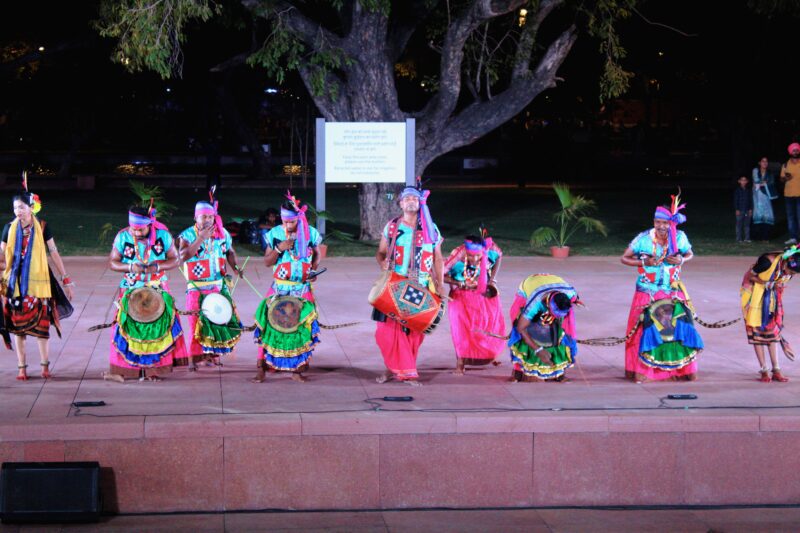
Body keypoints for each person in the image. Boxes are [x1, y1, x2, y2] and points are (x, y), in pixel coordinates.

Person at [620, 193, 704, 383]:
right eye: (658, 222)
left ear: (671, 223)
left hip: (672, 291)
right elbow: (624, 258)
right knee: (645, 330)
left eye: (665, 223)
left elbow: (690, 253)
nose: (661, 226)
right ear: (654, 222)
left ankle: (678, 371)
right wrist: (644, 261)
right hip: (647, 292)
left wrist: (682, 259)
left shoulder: (679, 237)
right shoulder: (643, 239)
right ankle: (645, 372)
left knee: (676, 330)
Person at [104, 203, 186, 382]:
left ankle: (152, 370)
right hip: (131, 289)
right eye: (133, 228)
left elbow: (176, 259)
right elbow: (112, 262)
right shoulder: (123, 236)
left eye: (140, 229)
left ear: (149, 224)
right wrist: (130, 267)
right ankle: (122, 370)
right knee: (125, 328)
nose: (135, 232)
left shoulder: (163, 236)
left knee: (158, 329)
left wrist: (157, 266)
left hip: (157, 288)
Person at [0, 183, 74, 381]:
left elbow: (54, 252)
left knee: (42, 329)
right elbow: (2, 256)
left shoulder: (42, 227)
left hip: (39, 284)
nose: (18, 211)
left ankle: (44, 366)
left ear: (31, 208)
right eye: (15, 208)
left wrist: (66, 279)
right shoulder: (8, 228)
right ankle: (21, 368)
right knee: (18, 330)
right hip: (15, 285)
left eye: (22, 207)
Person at [373, 185, 445, 386]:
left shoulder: (431, 228)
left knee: (413, 332)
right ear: (401, 204)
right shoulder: (392, 227)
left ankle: (407, 371)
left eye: (415, 198)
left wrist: (440, 284)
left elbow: (438, 259)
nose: (411, 201)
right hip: (394, 286)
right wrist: (382, 262)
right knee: (386, 331)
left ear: (421, 203)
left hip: (419, 287)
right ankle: (394, 368)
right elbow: (380, 252)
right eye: (407, 199)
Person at [253, 192, 322, 383]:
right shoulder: (275, 234)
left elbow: (317, 253)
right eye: (284, 221)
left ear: (299, 218)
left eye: (291, 221)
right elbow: (267, 262)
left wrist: (313, 270)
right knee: (269, 326)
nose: (287, 225)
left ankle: (297, 371)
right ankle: (261, 368)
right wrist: (279, 248)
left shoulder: (311, 233)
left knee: (301, 329)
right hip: (279, 289)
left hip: (302, 289)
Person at [177, 189, 244, 370]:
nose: (207, 220)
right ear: (195, 217)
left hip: (218, 285)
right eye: (203, 217)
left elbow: (230, 251)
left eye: (210, 216)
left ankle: (211, 356)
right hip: (197, 287)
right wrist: (201, 238)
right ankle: (194, 358)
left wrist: (235, 267)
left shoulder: (222, 233)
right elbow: (183, 256)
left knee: (216, 322)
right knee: (197, 323)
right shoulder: (187, 235)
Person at [443, 231, 505, 374]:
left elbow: (499, 257)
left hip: (483, 294)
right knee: (461, 330)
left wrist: (492, 280)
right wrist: (457, 282)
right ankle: (460, 363)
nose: (475, 259)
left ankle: (490, 355)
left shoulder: (491, 250)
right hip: (460, 295)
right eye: (471, 255)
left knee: (488, 325)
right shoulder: (457, 255)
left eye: (478, 255)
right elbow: (439, 275)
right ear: (466, 251)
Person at [740, 247, 800, 383]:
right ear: (786, 263)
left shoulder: (790, 268)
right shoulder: (767, 261)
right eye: (790, 271)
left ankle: (776, 369)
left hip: (771, 295)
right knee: (756, 330)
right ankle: (764, 370)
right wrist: (768, 284)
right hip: (753, 295)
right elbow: (750, 276)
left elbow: (780, 281)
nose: (790, 274)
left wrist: (775, 286)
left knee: (772, 331)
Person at [507, 274, 579, 382]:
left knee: (562, 333)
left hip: (554, 282)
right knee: (520, 330)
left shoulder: (571, 294)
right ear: (548, 305)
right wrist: (538, 349)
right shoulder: (535, 303)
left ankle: (559, 372)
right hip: (530, 285)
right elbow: (521, 328)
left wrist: (568, 335)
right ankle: (518, 371)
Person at [752, 156, 776, 241]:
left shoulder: (770, 173)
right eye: (763, 161)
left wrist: (762, 184)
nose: (765, 163)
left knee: (767, 216)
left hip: (766, 197)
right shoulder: (755, 171)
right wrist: (764, 183)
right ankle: (756, 237)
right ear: (759, 163)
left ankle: (766, 237)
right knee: (758, 215)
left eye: (766, 161)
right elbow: (756, 181)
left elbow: (771, 183)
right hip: (757, 196)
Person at [780, 143, 800, 244]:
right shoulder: (785, 165)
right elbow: (781, 179)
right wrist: (786, 178)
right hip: (788, 195)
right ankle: (793, 237)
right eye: (793, 150)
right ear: (790, 152)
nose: (795, 152)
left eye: (797, 150)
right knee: (791, 217)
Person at [734, 174, 753, 243]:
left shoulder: (748, 190)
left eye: (745, 180)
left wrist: (750, 209)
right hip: (740, 210)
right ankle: (738, 238)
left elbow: (750, 200)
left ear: (747, 181)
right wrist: (737, 209)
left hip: (747, 210)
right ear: (739, 181)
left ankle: (747, 238)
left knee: (747, 225)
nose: (743, 182)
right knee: (739, 225)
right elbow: (735, 200)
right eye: (742, 180)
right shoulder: (737, 190)